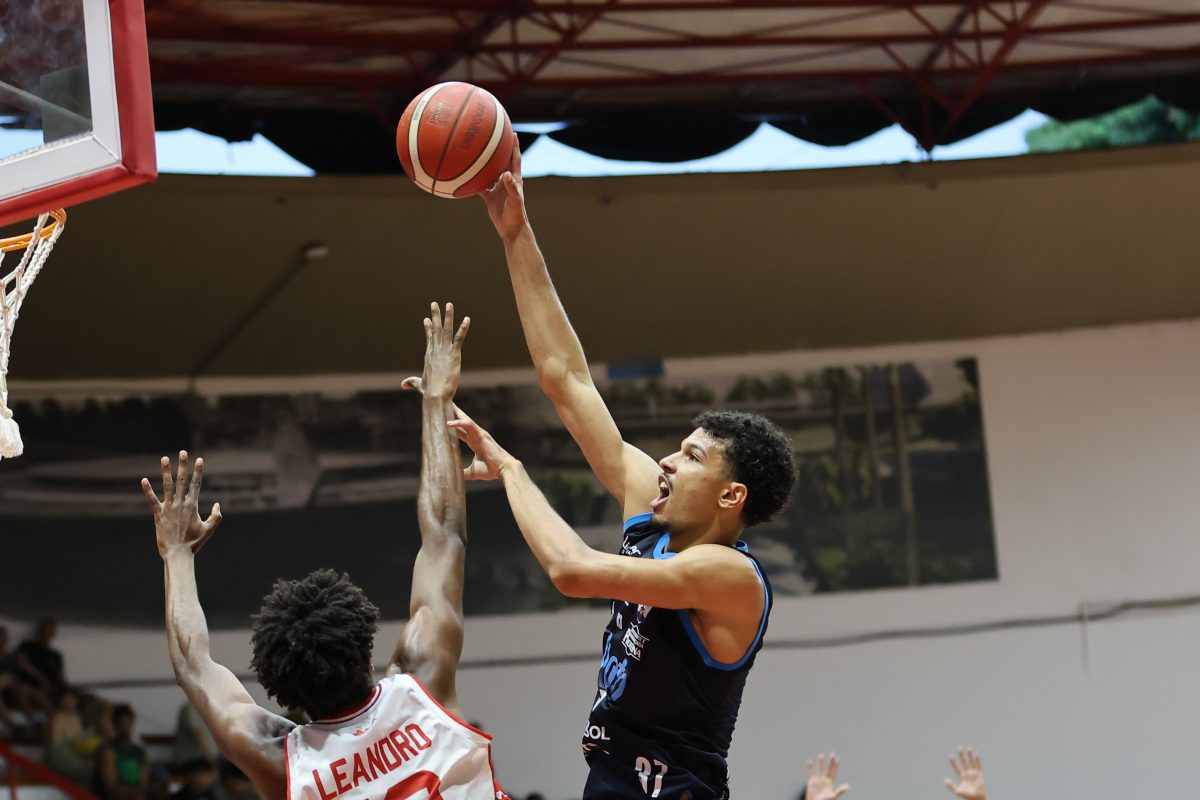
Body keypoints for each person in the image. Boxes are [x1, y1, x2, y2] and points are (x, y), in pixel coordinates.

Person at [474, 143, 798, 798]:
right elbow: (566, 380)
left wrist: (511, 470)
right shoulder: (653, 515)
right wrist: (516, 235)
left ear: (731, 495)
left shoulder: (729, 576)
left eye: (693, 457)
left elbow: (570, 569)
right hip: (612, 779)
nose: (669, 461)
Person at [140, 303, 506, 800]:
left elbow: (193, 666)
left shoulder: (284, 763)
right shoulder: (422, 684)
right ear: (365, 652)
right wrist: (437, 401)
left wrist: (177, 555)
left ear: (285, 694)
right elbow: (444, 531)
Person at [95, 703, 148, 800]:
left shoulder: (139, 752)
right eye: (122, 724)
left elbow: (143, 782)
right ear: (115, 725)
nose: (126, 728)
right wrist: (134, 793)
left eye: (129, 723)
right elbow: (111, 787)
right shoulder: (110, 751)